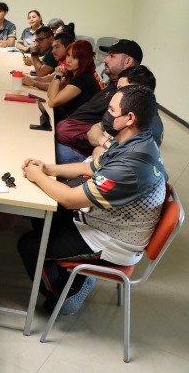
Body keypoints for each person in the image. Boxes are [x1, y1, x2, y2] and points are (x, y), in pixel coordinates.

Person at [17, 85, 167, 315]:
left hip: (112, 241)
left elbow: (69, 199)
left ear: (129, 118)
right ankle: (70, 275)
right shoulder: (136, 140)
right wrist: (47, 168)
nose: (106, 114)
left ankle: (63, 297)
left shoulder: (130, 167)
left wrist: (37, 176)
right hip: (108, 222)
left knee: (30, 246)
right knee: (43, 218)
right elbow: (90, 167)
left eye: (111, 110)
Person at [54, 39, 143, 164]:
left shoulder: (126, 97)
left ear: (128, 62)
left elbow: (107, 137)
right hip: (67, 143)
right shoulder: (113, 86)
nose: (105, 60)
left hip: (77, 152)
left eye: (112, 56)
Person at [88, 65, 163, 159]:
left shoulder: (149, 126)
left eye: (122, 89)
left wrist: (102, 148)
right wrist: (103, 141)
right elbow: (93, 130)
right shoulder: (124, 108)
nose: (117, 93)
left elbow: (115, 158)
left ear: (139, 92)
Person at [47, 39, 102, 123]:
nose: (68, 60)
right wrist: (57, 76)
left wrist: (58, 76)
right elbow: (49, 94)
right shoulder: (73, 74)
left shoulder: (83, 78)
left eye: (75, 57)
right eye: (68, 55)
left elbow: (52, 102)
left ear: (84, 60)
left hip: (80, 124)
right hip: (73, 120)